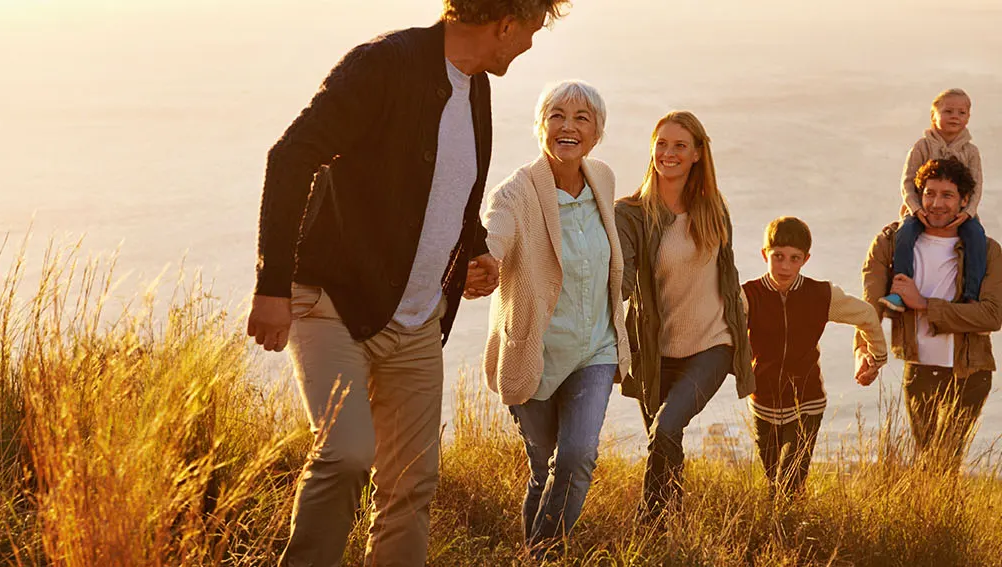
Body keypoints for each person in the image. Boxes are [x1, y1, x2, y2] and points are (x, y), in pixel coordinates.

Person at [244, 1, 570, 564]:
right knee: (346, 454)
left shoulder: (475, 90)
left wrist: (475, 252)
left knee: (412, 486)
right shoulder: (381, 66)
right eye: (532, 31)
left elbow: (448, 191)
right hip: (333, 303)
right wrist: (271, 287)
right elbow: (291, 157)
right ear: (505, 25)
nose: (531, 45)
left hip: (417, 322)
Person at [480, 80, 628, 557]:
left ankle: (543, 554)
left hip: (596, 349)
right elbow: (494, 235)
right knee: (543, 468)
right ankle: (536, 549)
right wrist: (482, 263)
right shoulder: (516, 193)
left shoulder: (602, 178)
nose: (568, 126)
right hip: (536, 353)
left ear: (597, 132)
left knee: (579, 455)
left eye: (582, 118)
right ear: (541, 126)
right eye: (557, 116)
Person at [615, 110, 754, 523]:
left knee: (665, 429)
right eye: (661, 143)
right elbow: (620, 279)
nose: (668, 153)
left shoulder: (713, 209)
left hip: (712, 344)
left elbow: (728, 276)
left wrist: (748, 335)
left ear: (697, 154)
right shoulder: (631, 213)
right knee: (664, 441)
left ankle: (648, 523)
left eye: (679, 145)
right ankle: (672, 529)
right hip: (655, 352)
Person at [863, 158, 1002, 472]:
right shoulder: (894, 242)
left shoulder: (988, 250)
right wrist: (864, 350)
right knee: (927, 460)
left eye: (947, 195)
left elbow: (992, 316)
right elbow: (870, 303)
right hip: (919, 370)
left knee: (945, 461)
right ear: (918, 195)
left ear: (964, 200)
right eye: (930, 193)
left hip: (969, 372)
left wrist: (923, 304)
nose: (937, 203)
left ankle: (945, 518)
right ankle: (932, 518)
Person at [741, 216, 887, 498]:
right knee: (773, 481)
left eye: (794, 259)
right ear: (764, 255)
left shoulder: (820, 295)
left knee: (791, 482)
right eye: (778, 256)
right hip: (763, 402)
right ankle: (781, 533)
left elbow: (867, 315)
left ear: (805, 259)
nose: (785, 266)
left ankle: (789, 531)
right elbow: (726, 333)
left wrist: (876, 358)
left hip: (807, 402)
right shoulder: (748, 296)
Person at [882, 89, 986, 312]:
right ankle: (900, 290)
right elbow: (907, 182)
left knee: (976, 237)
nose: (955, 116)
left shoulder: (970, 151)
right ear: (933, 116)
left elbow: (976, 186)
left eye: (962, 112)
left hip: (960, 212)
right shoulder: (922, 146)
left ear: (968, 117)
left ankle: (971, 296)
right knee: (904, 234)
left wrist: (967, 212)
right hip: (922, 209)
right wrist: (916, 209)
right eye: (948, 111)